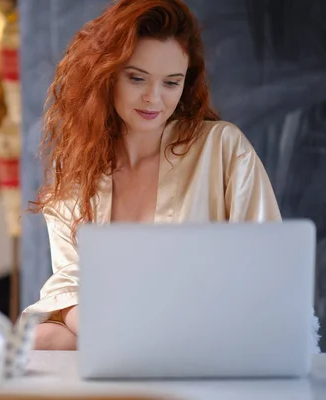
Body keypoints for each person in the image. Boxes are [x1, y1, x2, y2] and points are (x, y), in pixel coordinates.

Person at [21, 0, 321, 351]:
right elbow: (69, 286)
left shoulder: (223, 147)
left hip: (210, 331)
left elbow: (266, 265)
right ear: (106, 74)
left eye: (171, 82)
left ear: (185, 82)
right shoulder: (77, 171)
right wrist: (116, 336)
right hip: (114, 333)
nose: (154, 98)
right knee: (42, 338)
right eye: (137, 78)